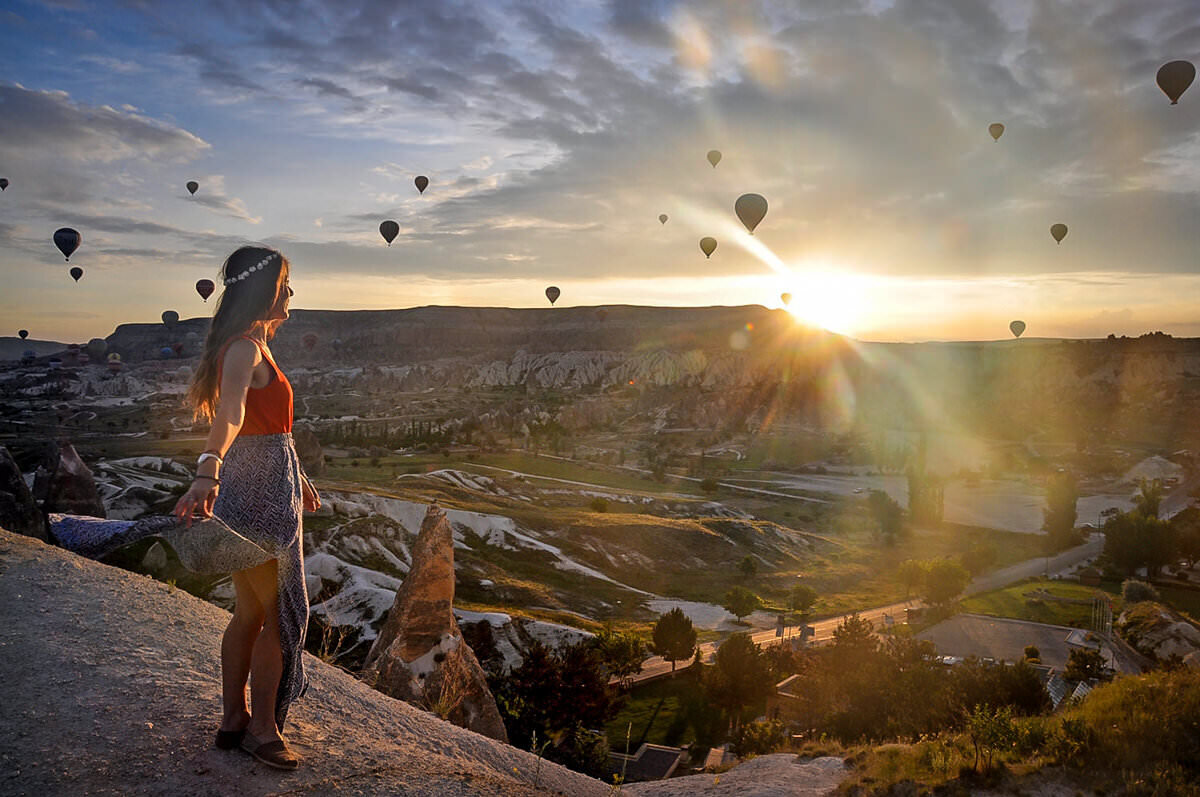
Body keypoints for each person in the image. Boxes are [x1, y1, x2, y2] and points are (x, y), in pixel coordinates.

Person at [173, 245, 320, 770]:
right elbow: (232, 413)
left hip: (271, 485)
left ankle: (235, 721)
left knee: (252, 612)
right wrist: (207, 468)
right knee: (278, 618)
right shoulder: (244, 350)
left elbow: (268, 425)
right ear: (263, 289)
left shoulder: (258, 344)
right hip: (255, 493)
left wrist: (296, 475)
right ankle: (261, 730)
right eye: (284, 283)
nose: (290, 293)